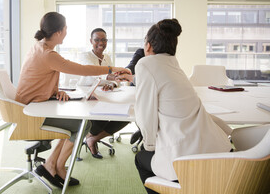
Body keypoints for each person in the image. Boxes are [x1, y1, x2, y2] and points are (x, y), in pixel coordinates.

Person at [15, 12, 130, 188]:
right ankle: (55, 165)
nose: (67, 32)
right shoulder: (48, 54)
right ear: (59, 32)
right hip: (31, 114)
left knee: (77, 123)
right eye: (66, 28)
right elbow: (81, 69)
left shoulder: (39, 47)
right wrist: (114, 68)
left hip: (33, 105)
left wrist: (55, 91)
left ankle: (53, 166)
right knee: (81, 125)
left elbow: (37, 78)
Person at [117, 19, 232, 194]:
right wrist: (132, 79)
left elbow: (145, 115)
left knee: (141, 158)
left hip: (185, 160)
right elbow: (160, 83)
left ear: (147, 46)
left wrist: (149, 145)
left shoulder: (144, 63)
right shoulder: (173, 65)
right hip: (217, 151)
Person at [77, 28, 129, 159]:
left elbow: (114, 80)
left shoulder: (107, 58)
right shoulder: (84, 56)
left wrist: (112, 83)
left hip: (105, 97)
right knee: (102, 118)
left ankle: (92, 139)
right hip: (87, 98)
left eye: (104, 40)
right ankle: (89, 135)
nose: (101, 42)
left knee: (126, 116)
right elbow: (92, 72)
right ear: (91, 41)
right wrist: (111, 77)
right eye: (97, 40)